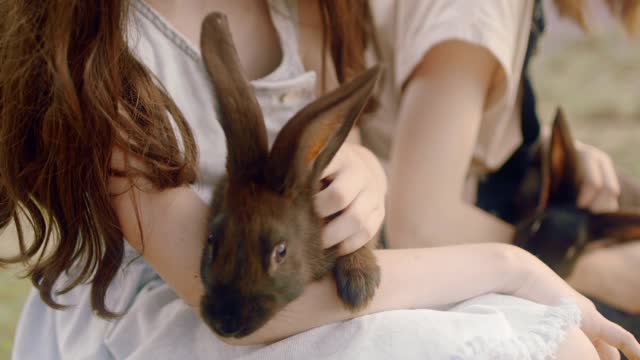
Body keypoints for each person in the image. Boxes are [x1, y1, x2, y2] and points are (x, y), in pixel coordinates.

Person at [0, 0, 638, 359]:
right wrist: (510, 264)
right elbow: (229, 305)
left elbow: (341, 142)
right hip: (186, 312)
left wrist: (361, 177)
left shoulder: (306, 11)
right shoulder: (104, 54)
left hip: (304, 278)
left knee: (561, 346)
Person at [366, 0, 640, 339]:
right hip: (426, 269)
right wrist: (593, 270)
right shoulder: (480, 8)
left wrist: (550, 149)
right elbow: (419, 224)